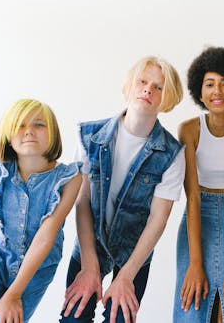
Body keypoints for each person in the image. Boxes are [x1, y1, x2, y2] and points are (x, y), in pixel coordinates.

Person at [60, 56, 185, 323]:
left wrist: (126, 276)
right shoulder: (88, 136)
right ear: (130, 85)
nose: (148, 89)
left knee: (120, 319)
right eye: (143, 81)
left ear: (168, 98)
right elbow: (81, 204)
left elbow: (158, 219)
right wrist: (90, 266)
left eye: (159, 87)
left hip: (135, 251)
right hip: (89, 243)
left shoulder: (172, 154)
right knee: (73, 318)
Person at [0, 99, 82, 323]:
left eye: (39, 125)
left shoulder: (70, 179)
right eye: (20, 125)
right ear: (7, 134)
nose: (29, 131)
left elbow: (45, 238)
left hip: (36, 269)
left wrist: (13, 295)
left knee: (4, 319)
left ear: (53, 133)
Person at [173, 47, 224, 323]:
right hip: (199, 215)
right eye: (209, 84)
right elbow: (192, 198)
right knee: (193, 301)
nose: (217, 91)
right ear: (199, 90)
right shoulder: (188, 129)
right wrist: (195, 264)